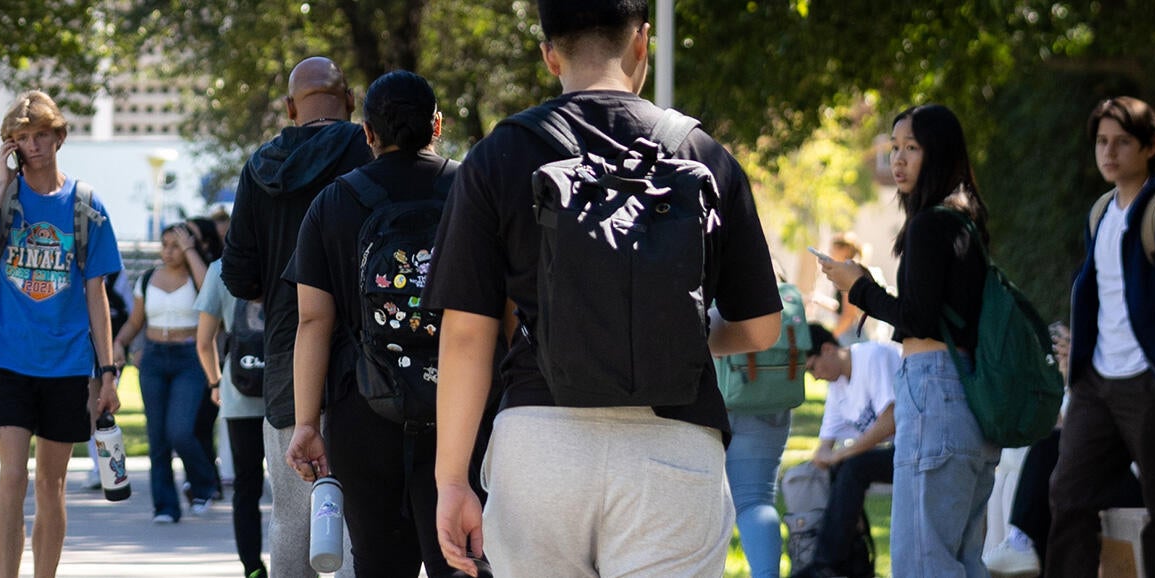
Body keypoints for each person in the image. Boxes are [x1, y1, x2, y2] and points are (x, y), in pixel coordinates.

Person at [427, 0, 786, 573]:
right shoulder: (705, 156)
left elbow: (467, 334)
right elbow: (763, 326)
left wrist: (451, 480)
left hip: (540, 449)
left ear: (550, 56)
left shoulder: (497, 157)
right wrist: (677, 330)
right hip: (674, 448)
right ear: (642, 42)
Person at [286, 69, 495, 578]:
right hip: (462, 408)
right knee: (464, 562)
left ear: (368, 133)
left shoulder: (332, 204)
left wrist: (306, 424)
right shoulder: (473, 191)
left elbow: (312, 322)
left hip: (364, 407)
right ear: (437, 125)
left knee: (378, 564)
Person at [818, 104, 999, 576]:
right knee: (962, 559)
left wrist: (859, 287)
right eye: (894, 148)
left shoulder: (931, 224)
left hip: (935, 389)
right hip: (970, 396)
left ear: (937, 153)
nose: (898, 160)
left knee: (923, 561)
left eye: (912, 148)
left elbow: (917, 318)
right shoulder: (967, 220)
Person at [1045, 96, 1155, 578]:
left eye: (1122, 142)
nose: (1109, 153)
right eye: (1102, 141)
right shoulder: (1101, 211)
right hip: (1095, 384)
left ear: (1151, 146)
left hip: (1152, 383)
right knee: (1067, 495)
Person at [0, 90, 125, 578]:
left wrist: (109, 370)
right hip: (9, 357)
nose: (33, 146)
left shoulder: (87, 207)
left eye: (41, 135)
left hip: (68, 363)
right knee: (12, 477)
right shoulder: (1, 200)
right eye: (22, 138)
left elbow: (97, 297)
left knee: (51, 484)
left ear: (60, 136)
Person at [222, 55, 375, 578]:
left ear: (291, 108)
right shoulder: (370, 148)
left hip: (288, 357)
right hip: (368, 356)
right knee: (364, 522)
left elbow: (238, 277)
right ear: (350, 101)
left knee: (292, 516)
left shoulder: (261, 167)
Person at [117, 220, 222, 523]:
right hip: (153, 359)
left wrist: (190, 251)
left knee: (180, 430)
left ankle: (203, 485)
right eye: (165, 245)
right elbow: (136, 322)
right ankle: (165, 505)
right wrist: (120, 342)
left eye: (176, 245)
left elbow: (211, 291)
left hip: (189, 358)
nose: (169, 251)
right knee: (158, 436)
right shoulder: (148, 278)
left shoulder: (196, 277)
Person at [789, 324, 903, 578]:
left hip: (919, 447)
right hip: (897, 452)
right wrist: (826, 456)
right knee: (843, 468)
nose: (815, 377)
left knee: (853, 466)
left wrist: (840, 454)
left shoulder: (873, 357)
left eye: (812, 368)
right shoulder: (837, 383)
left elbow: (890, 421)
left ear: (828, 349)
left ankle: (826, 564)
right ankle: (851, 560)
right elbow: (825, 446)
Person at [198, 225, 271, 577]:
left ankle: (252, 567)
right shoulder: (283, 261)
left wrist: (215, 382)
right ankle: (300, 562)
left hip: (238, 390)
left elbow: (204, 341)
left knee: (246, 485)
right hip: (286, 391)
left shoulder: (218, 270)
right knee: (298, 488)